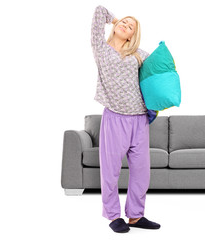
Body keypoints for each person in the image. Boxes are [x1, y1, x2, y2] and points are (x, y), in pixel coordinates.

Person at [91, 5, 161, 233]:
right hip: (115, 118)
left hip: (139, 119)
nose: (125, 25)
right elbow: (99, 11)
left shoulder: (139, 54)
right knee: (110, 171)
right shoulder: (101, 48)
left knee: (141, 172)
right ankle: (113, 216)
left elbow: (155, 74)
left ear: (133, 35)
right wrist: (116, 19)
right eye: (124, 23)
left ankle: (135, 216)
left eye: (130, 26)